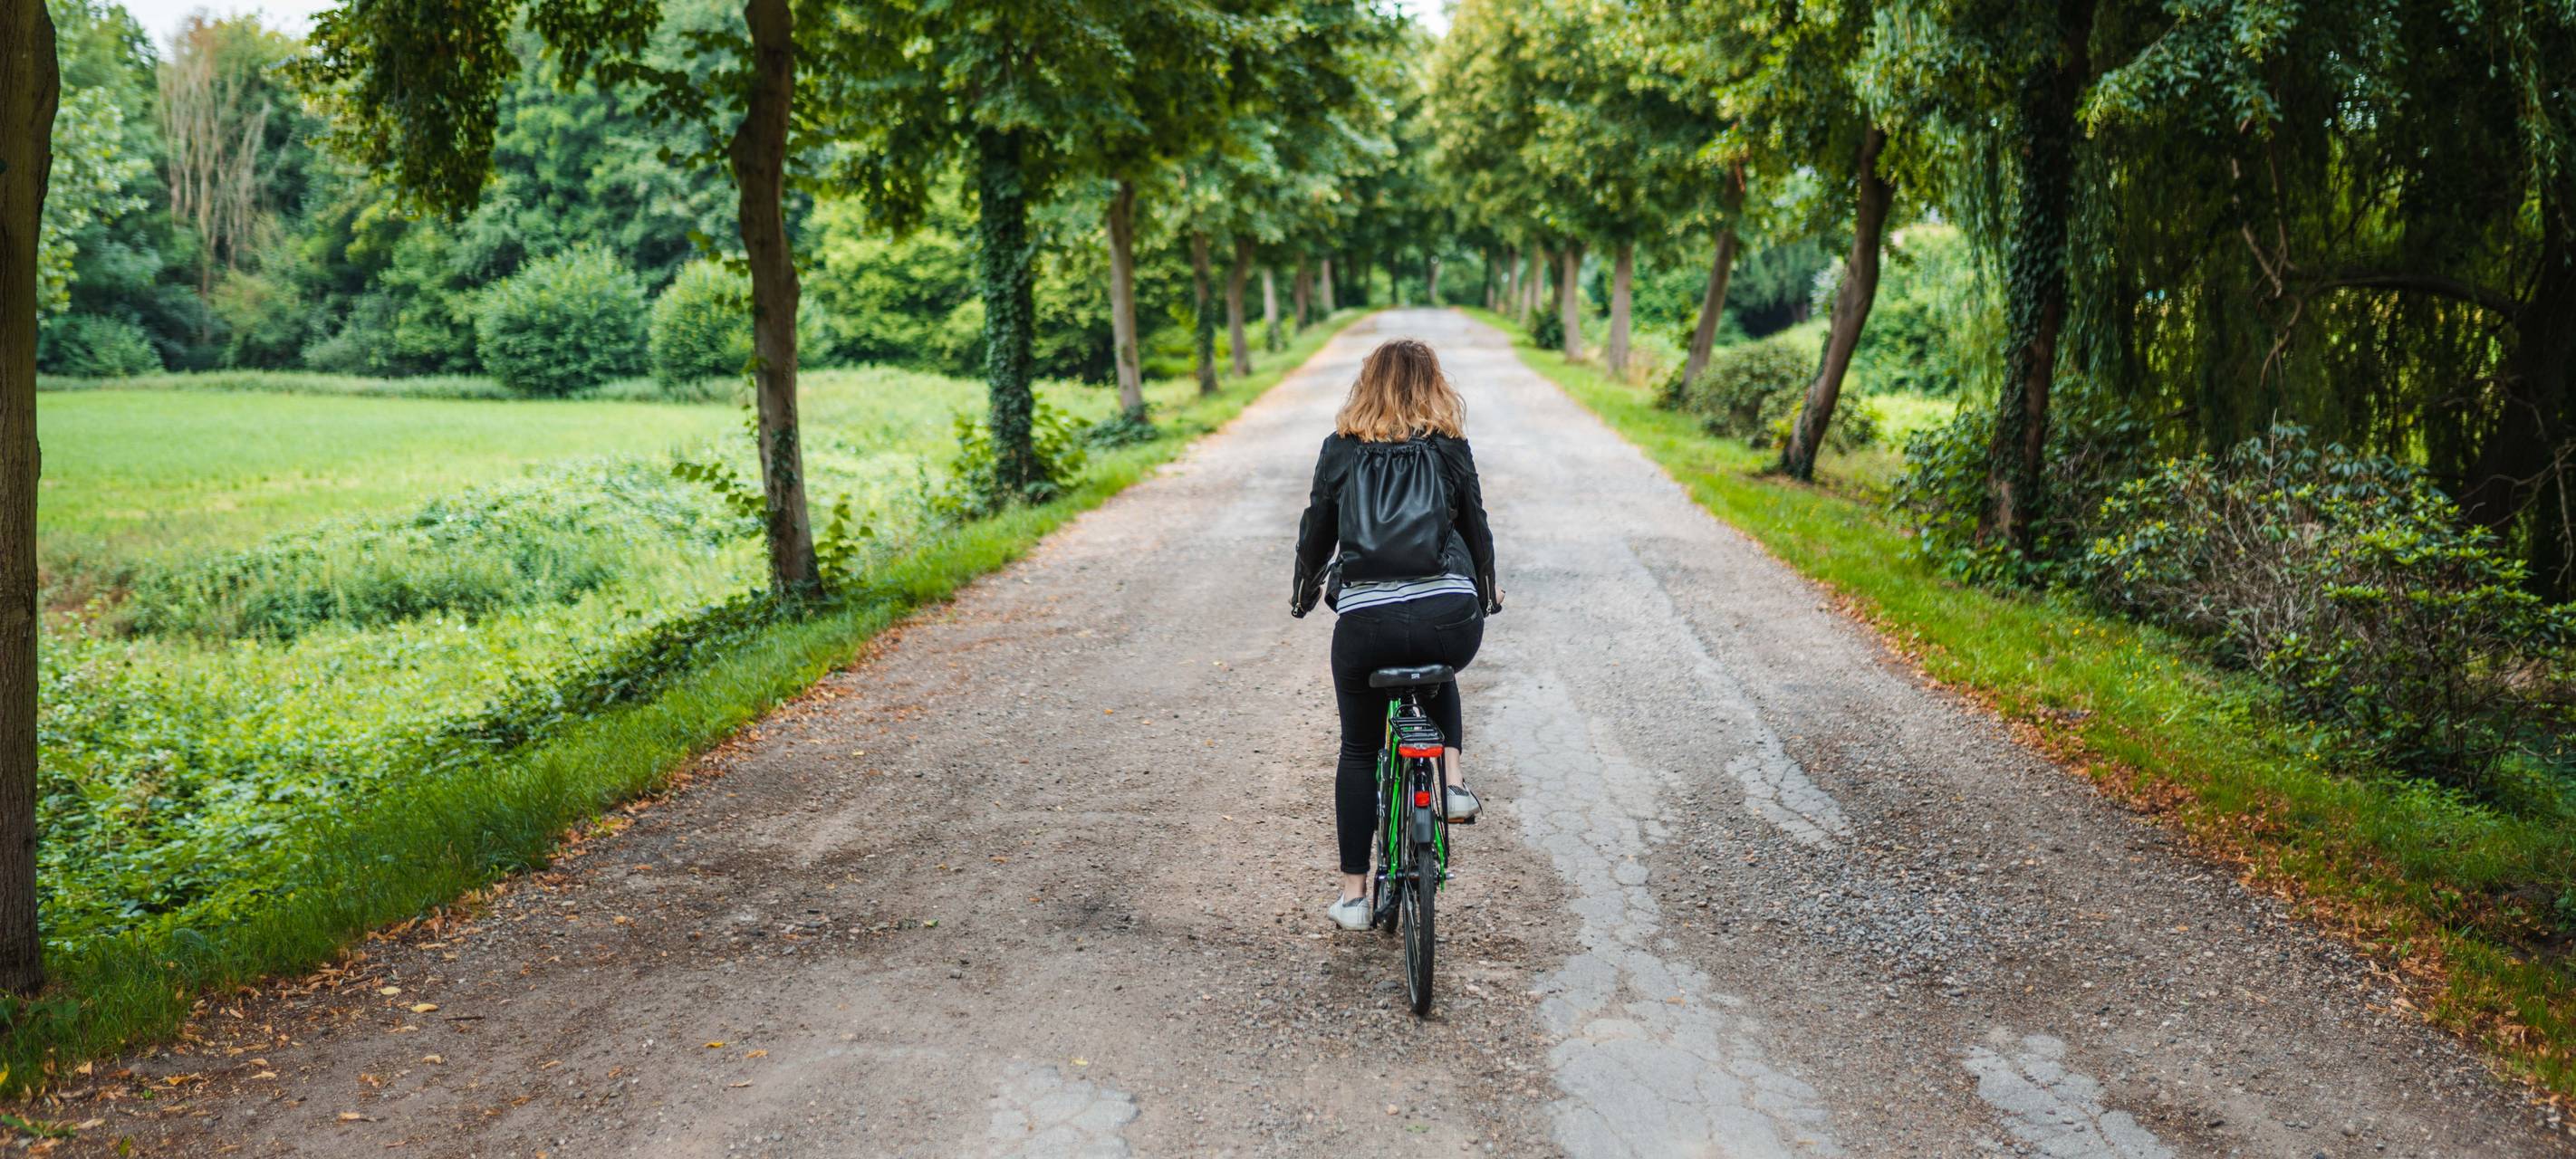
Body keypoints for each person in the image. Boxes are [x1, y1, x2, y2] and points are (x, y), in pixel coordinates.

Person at [1291, 338, 1500, 932]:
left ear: (1367, 385)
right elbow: (1477, 528)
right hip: (1449, 621)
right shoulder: (1449, 448)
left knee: (1360, 749)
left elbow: (1315, 534)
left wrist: (1304, 592)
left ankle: (1354, 896)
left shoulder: (1341, 449)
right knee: (1439, 670)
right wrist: (1485, 590)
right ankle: (1453, 785)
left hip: (1366, 627)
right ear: (1434, 384)